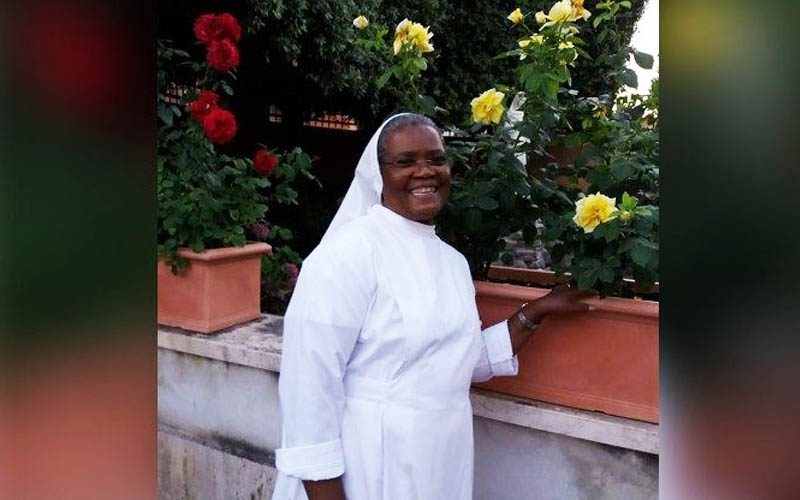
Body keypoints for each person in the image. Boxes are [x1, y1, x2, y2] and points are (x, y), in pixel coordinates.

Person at [271, 113, 596, 500]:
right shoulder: (345, 256)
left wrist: (537, 310)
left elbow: (457, 361)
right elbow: (309, 390)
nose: (424, 171)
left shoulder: (452, 262)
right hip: (369, 464)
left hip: (441, 460)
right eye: (405, 161)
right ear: (379, 173)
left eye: (436, 159)